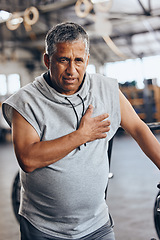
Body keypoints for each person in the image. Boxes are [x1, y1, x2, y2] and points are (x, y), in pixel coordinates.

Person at [2, 22, 160, 240]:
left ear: (87, 59)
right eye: (63, 60)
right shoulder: (26, 102)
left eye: (78, 60)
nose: (71, 70)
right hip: (43, 229)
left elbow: (139, 129)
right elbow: (28, 159)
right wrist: (81, 136)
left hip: (97, 224)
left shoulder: (106, 90)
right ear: (48, 60)